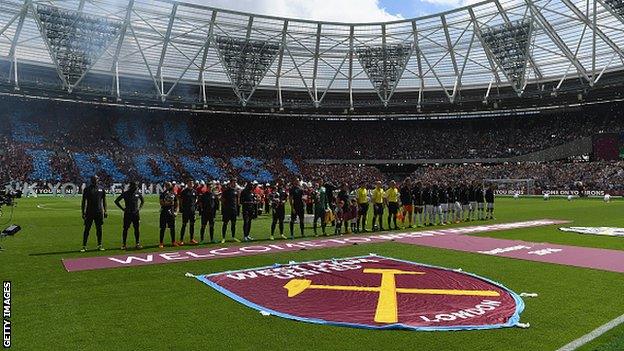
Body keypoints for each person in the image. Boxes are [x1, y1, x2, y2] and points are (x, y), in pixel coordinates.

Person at [114, 181, 144, 250]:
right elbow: (116, 201)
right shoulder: (126, 193)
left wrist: (139, 208)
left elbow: (142, 200)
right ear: (132, 186)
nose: (136, 187)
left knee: (136, 229)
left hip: (136, 214)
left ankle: (137, 244)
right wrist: (123, 209)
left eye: (137, 185)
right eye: (135, 185)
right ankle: (124, 244)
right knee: (125, 229)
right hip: (128, 214)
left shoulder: (137, 193)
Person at [81, 175, 107, 252]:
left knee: (99, 229)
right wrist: (83, 212)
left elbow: (104, 201)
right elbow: (83, 201)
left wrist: (105, 211)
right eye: (93, 179)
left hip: (99, 212)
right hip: (89, 212)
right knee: (87, 229)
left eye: (96, 179)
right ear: (91, 180)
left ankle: (99, 245)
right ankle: (84, 246)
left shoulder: (101, 189)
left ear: (98, 180)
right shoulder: (87, 189)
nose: (95, 180)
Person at [159, 182, 179, 248]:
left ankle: (173, 242)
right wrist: (169, 203)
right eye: (167, 185)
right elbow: (161, 203)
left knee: (172, 228)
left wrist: (176, 212)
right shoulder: (163, 194)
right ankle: (161, 243)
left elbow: (177, 203)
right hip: (164, 212)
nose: (169, 187)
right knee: (163, 228)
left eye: (169, 185)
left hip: (171, 213)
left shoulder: (174, 194)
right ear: (165, 186)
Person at [179, 180, 199, 245]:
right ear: (187, 184)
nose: (191, 184)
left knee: (192, 225)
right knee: (184, 225)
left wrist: (194, 208)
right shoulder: (184, 192)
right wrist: (182, 209)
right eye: (189, 183)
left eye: (192, 183)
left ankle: (191, 239)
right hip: (186, 211)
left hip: (192, 211)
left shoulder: (194, 191)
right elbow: (181, 201)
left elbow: (196, 199)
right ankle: (181, 240)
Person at [221, 179, 240, 243]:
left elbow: (237, 200)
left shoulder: (235, 191)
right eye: (233, 182)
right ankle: (223, 238)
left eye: (235, 182)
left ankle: (233, 237)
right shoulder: (226, 191)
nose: (234, 183)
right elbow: (222, 199)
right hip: (227, 210)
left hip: (234, 210)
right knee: (225, 224)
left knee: (233, 224)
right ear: (230, 183)